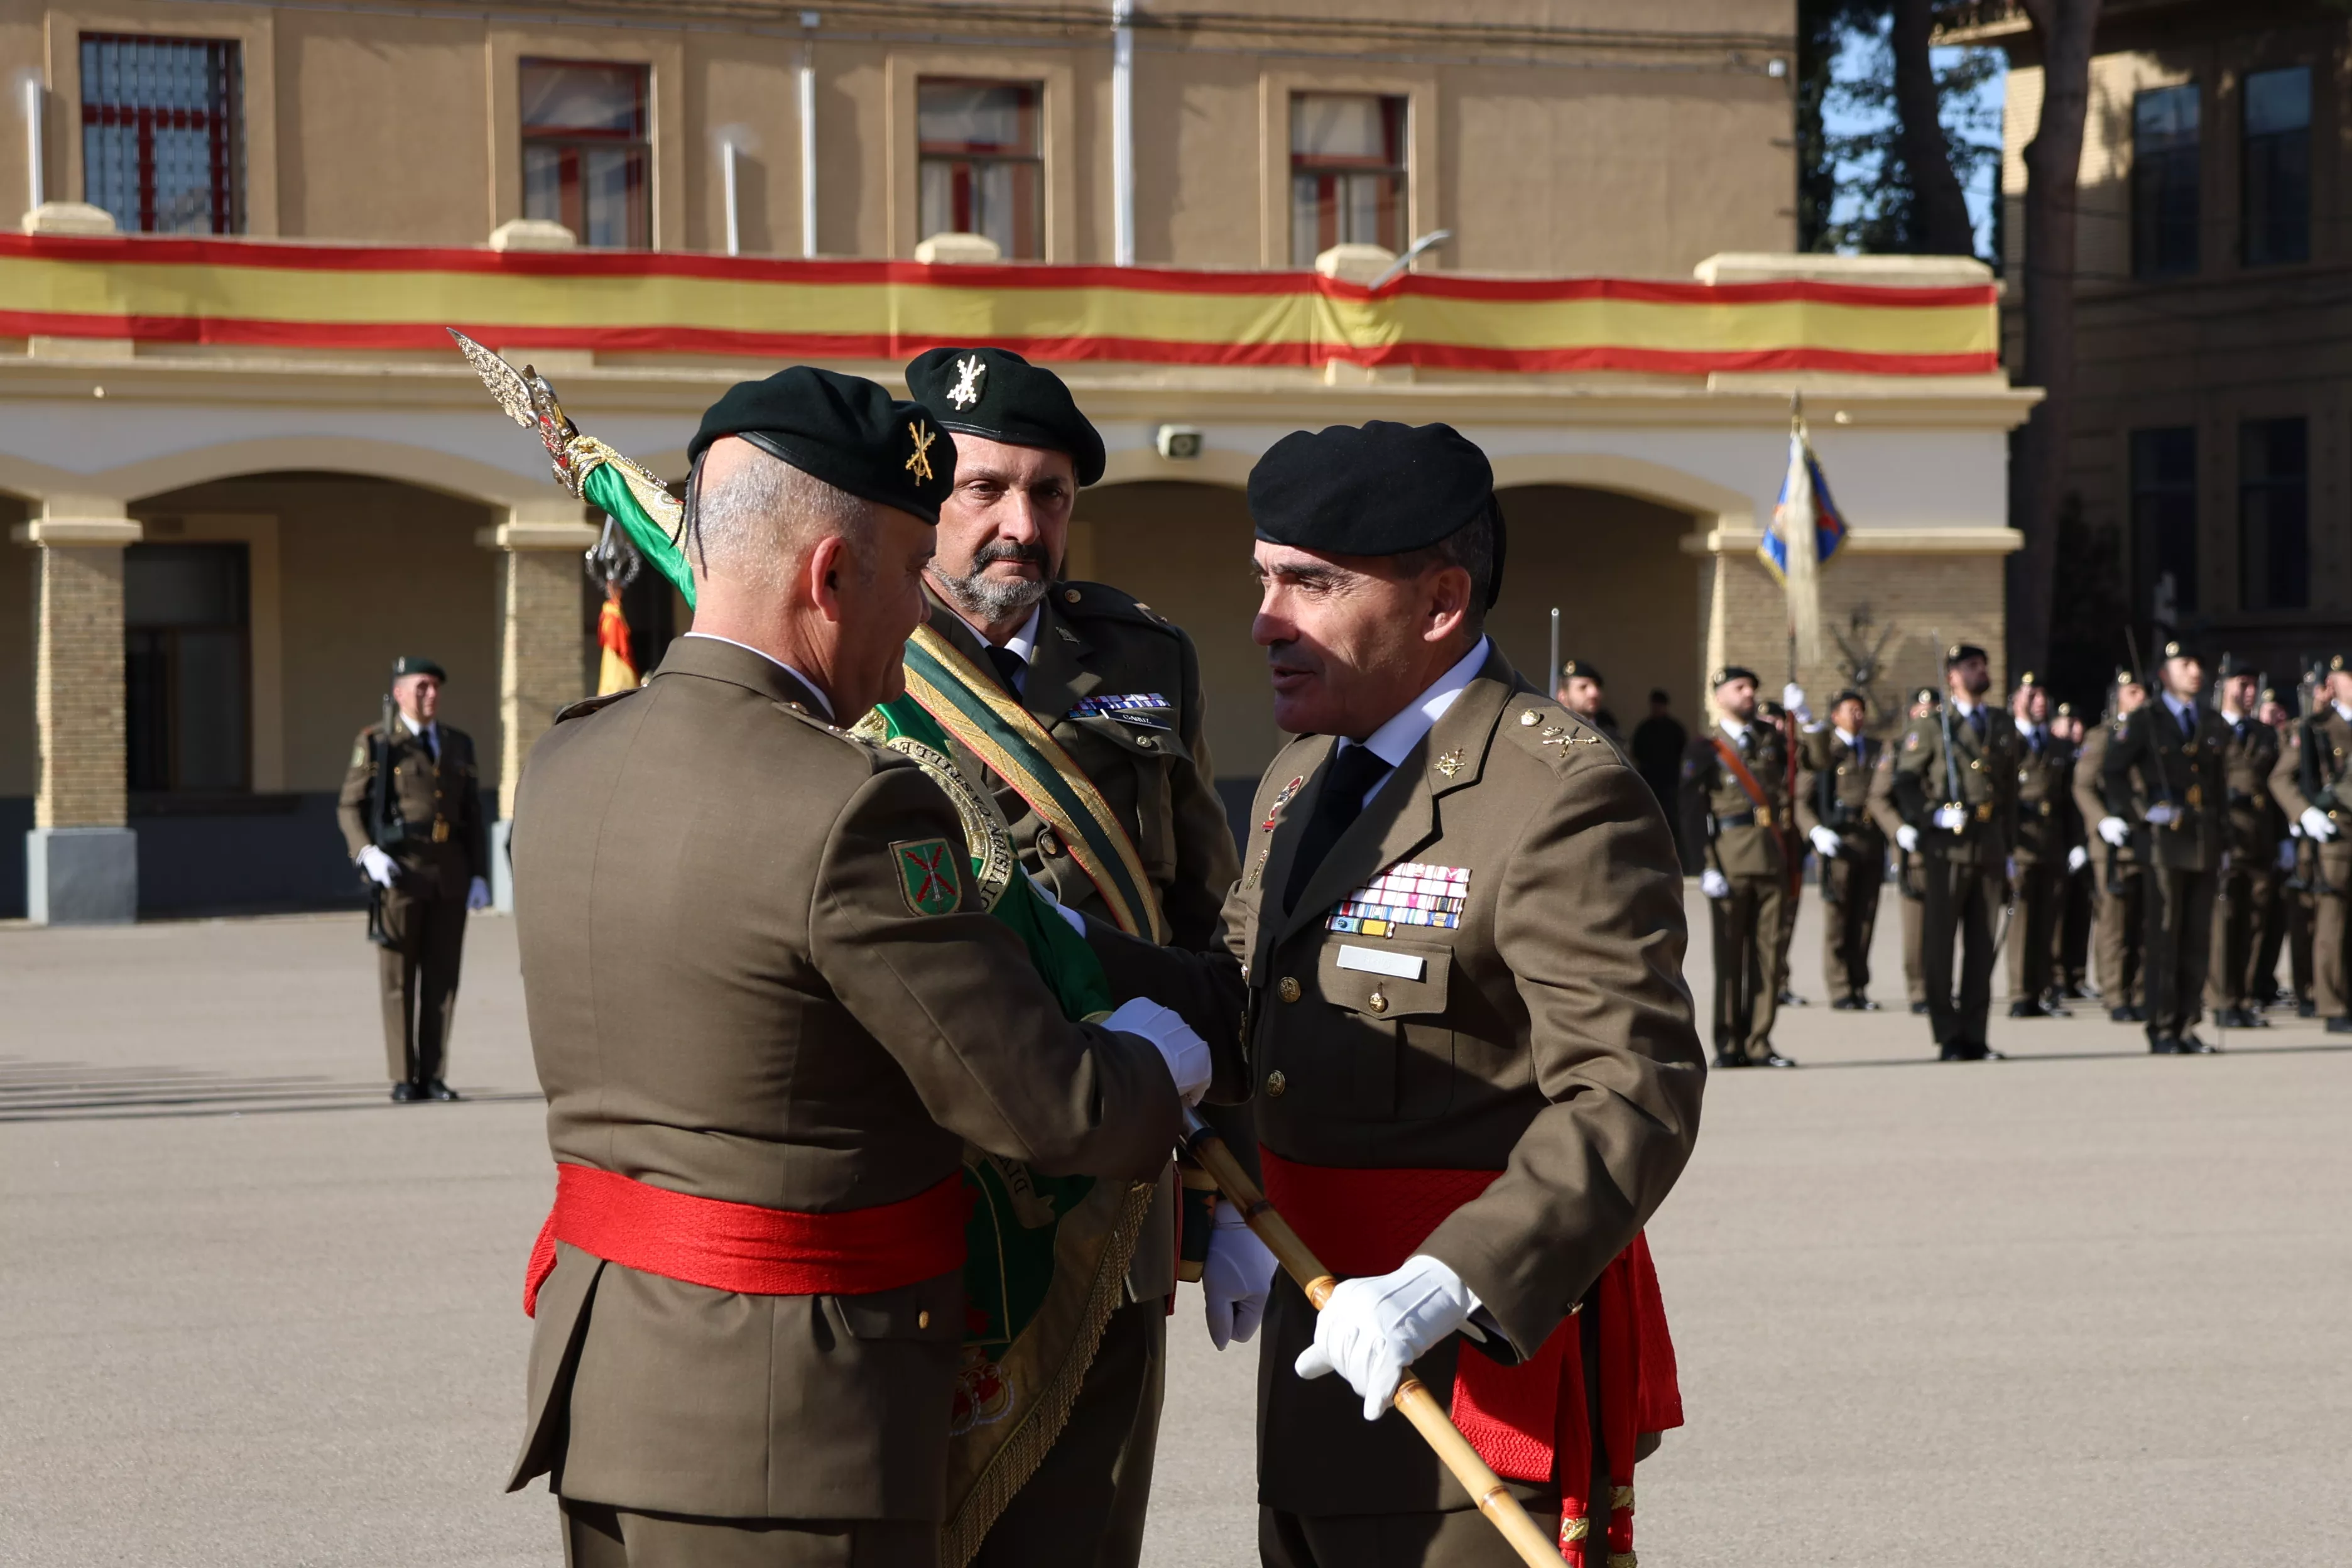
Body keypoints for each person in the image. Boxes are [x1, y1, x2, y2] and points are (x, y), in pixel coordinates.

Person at [503, 366, 1204, 1566]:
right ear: (831, 577)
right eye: (901, 576)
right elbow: (1044, 1104)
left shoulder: (563, 765)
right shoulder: (851, 808)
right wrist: (1170, 1057)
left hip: (612, 1398)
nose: (912, 630)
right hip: (797, 1432)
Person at [1082, 420, 1704, 1568]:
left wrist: (1445, 1282)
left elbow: (1632, 1093)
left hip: (1471, 1367)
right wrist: (1060, 944)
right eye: (1263, 578)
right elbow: (1240, 1002)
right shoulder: (1301, 775)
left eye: (1311, 584)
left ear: (1438, 601)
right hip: (1319, 1327)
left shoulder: (1555, 795)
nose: (1266, 619)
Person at [899, 344, 1255, 1567]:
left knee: (1082, 1533)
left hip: (1115, 1187)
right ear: (921, 493)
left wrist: (1232, 1189)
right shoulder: (853, 661)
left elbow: (1210, 926)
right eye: (985, 489)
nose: (1020, 524)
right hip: (928, 1178)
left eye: (1049, 495)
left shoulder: (1141, 657)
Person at [335, 655, 491, 1102]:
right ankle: (404, 1076)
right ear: (400, 692)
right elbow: (349, 805)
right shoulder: (378, 741)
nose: (430, 695)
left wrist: (479, 874)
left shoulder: (458, 744)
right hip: (400, 872)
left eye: (436, 687)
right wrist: (366, 853)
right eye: (421, 687)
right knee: (399, 978)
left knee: (443, 978)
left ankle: (435, 1074)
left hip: (450, 873)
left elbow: (472, 816)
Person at [2100, 639, 2229, 1054]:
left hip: (2203, 839)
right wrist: (2140, 811)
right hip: (2162, 842)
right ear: (2164, 674)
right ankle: (2160, 1026)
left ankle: (2187, 1023)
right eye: (2185, 664)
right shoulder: (2146, 721)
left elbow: (2219, 787)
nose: (2195, 671)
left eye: (2198, 664)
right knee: (2164, 937)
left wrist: (2224, 839)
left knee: (2197, 939)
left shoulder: (2210, 721)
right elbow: (2113, 772)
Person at [1892, 642, 2019, 1062]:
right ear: (1952, 677)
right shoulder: (1931, 726)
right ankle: (1948, 1035)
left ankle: (1976, 1034)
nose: (1980, 671)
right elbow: (1906, 782)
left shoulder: (2000, 722)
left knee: (1983, 946)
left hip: (1989, 844)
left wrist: (2012, 848)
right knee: (1940, 948)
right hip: (1946, 847)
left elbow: (2011, 794)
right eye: (1971, 666)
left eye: (1983, 664)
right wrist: (1928, 818)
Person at [1681, 667, 1795, 1067]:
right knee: (1730, 959)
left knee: (1769, 956)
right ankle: (1729, 1043)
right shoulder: (1706, 749)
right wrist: (1704, 866)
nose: (1749, 694)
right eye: (1740, 688)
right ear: (1719, 695)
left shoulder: (1772, 740)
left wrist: (1805, 722)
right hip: (1729, 862)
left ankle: (1760, 1041)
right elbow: (1693, 812)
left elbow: (1811, 765)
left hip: (1771, 858)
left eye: (1752, 688)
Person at [2268, 652, 2352, 1034]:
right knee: (2331, 924)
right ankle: (2332, 1005)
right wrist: (2304, 814)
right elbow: (2281, 779)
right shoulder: (2317, 726)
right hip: (2336, 834)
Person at [1797, 689, 1885, 1009]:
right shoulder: (1826, 752)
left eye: (1861, 709)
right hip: (1838, 841)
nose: (1858, 715)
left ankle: (1859, 985)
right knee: (1838, 919)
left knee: (1865, 917)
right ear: (1835, 715)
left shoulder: (1876, 748)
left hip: (1870, 840)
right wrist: (1816, 831)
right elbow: (1800, 801)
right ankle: (1839, 988)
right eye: (1851, 710)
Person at [2208, 656, 2282, 1028]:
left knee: (2256, 922)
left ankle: (2245, 997)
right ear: (2224, 685)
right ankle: (2222, 998)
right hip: (2225, 839)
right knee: (2224, 922)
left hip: (2261, 840)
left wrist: (2284, 839)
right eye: (2242, 684)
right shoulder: (2209, 729)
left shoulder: (2264, 734)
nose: (2249, 692)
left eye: (2253, 685)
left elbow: (2277, 786)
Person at [2006, 673, 2082, 1018]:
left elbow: (2069, 800)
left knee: (2048, 921)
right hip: (2020, 842)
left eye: (2042, 695)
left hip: (2052, 843)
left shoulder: (2058, 746)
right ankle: (2021, 994)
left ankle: (2044, 991)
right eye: (2031, 694)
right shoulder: (2004, 740)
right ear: (2015, 701)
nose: (2039, 701)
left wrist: (2076, 842)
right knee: (2022, 922)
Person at [2076, 670, 2148, 1025]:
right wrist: (2102, 820)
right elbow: (2084, 787)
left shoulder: (2154, 736)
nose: (2141, 698)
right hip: (2113, 844)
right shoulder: (2103, 737)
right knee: (2115, 924)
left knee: (2147, 925)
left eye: (2145, 691)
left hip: (2149, 839)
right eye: (2133, 691)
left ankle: (2142, 992)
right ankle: (2116, 995)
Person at [1872, 686, 1937, 1015]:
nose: (1927, 714)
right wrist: (1899, 830)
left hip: (1947, 846)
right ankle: (1919, 990)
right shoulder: (1898, 747)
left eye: (1933, 708)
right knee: (1917, 928)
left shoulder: (1950, 746)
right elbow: (1878, 797)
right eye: (1921, 709)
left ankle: (1941, 986)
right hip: (1914, 850)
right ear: (1912, 713)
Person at [2050, 705, 2095, 1001]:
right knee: (2056, 917)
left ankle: (2077, 976)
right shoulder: (2057, 754)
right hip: (2056, 843)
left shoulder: (2087, 754)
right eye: (2067, 722)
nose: (2074, 729)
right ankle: (2056, 977)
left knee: (2082, 913)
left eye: (2077, 722)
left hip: (2085, 841)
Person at [1629, 687, 1689, 844]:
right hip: (1650, 781)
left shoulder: (1675, 729)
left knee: (1672, 820)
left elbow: (1683, 753)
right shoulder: (1645, 728)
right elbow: (1636, 752)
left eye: (1660, 705)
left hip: (1670, 782)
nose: (1657, 709)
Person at [1556, 658, 1620, 744]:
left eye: (1597, 686)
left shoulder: (1608, 728)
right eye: (1583, 687)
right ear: (1562, 696)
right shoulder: (1555, 728)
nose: (1594, 693)